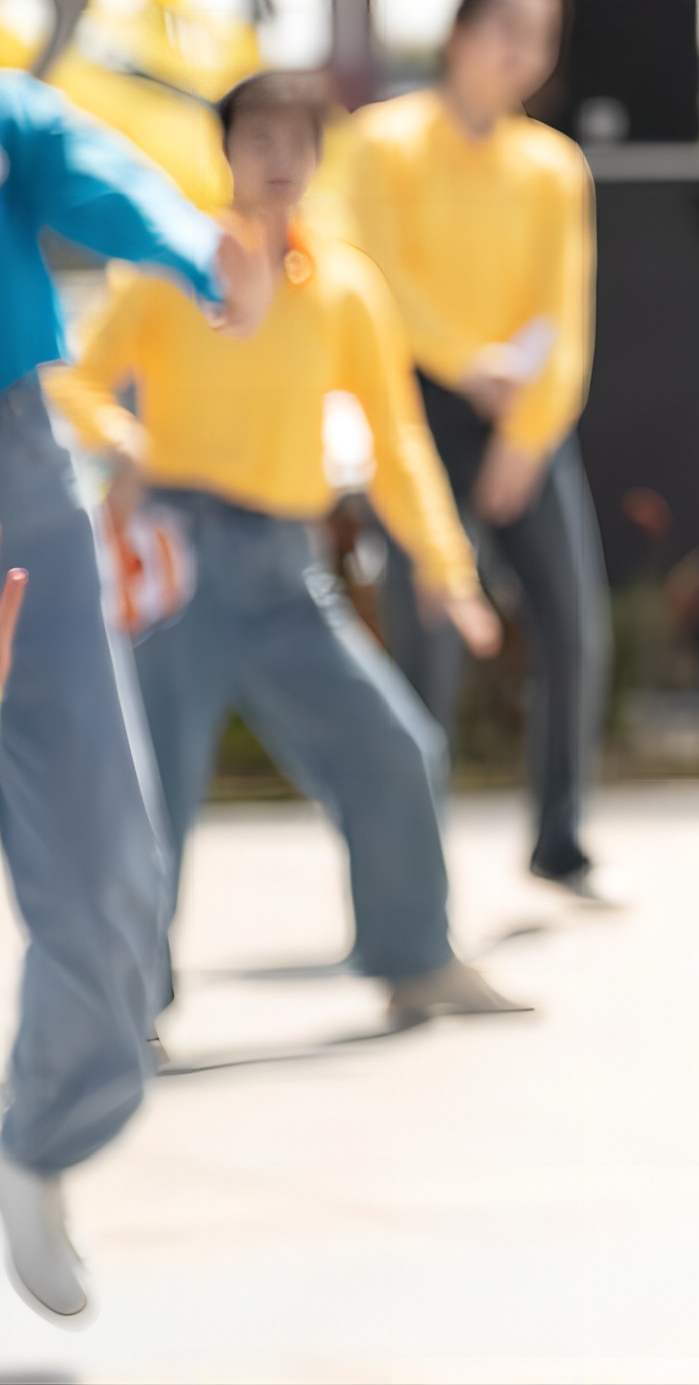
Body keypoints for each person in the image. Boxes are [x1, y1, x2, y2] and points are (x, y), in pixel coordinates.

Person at [51, 72, 524, 1032]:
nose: (277, 159)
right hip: (180, 560)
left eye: (296, 141)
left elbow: (396, 444)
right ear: (227, 151)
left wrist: (447, 568)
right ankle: (127, 1000)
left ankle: (417, 958)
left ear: (317, 158)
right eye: (257, 138)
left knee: (395, 746)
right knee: (152, 789)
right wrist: (122, 439)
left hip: (285, 568)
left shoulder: (346, 288)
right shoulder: (166, 268)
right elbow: (70, 374)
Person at [0, 64, 266, 1324]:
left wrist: (201, 251)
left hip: (16, 478)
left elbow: (95, 170)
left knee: (111, 869)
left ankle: (38, 1138)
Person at [342, 0, 607, 901]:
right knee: (428, 643)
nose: (524, 56)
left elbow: (566, 314)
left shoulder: (552, 164)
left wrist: (527, 433)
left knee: (574, 625)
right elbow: (369, 277)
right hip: (417, 411)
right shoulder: (380, 142)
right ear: (460, 35)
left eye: (541, 39)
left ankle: (560, 838)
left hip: (527, 424)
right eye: (508, 31)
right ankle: (414, 861)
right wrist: (464, 361)